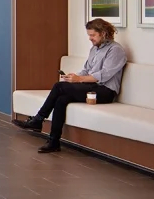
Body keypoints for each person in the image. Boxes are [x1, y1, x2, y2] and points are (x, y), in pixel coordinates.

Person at [14, 18, 127, 154]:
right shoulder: (94, 50)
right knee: (62, 99)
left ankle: (38, 119)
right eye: (89, 35)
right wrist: (73, 78)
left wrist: (79, 79)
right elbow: (86, 70)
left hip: (105, 91)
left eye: (92, 35)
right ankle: (54, 141)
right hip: (91, 88)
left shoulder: (115, 50)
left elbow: (104, 75)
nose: (90, 38)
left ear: (103, 33)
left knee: (59, 86)